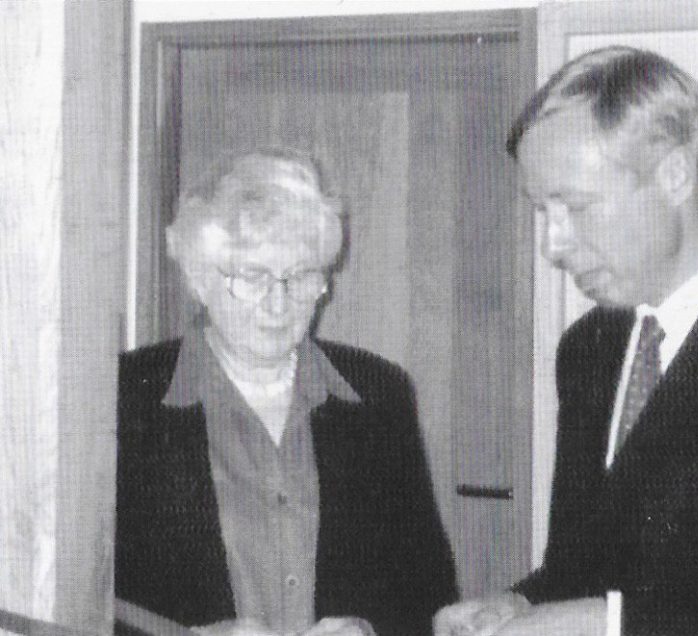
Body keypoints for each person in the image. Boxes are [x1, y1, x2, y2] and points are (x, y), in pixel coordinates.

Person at [435, 46, 698, 636]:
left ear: (673, 175)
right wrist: (519, 604)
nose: (553, 245)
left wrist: (610, 624)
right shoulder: (589, 347)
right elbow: (582, 564)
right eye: (543, 211)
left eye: (578, 207)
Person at [116, 148, 458, 636]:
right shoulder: (127, 398)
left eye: (299, 277)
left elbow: (428, 588)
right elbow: (75, 592)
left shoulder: (379, 395)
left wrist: (367, 630)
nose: (278, 304)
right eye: (252, 277)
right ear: (199, 277)